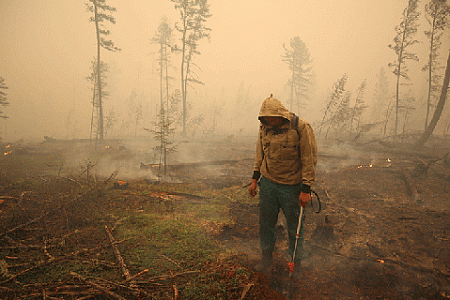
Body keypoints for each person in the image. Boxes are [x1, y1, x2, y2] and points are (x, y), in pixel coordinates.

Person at [249, 94, 317, 278]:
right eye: (265, 118)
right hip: (269, 184)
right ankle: (266, 259)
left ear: (280, 115)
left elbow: (309, 160)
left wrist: (306, 189)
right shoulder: (264, 128)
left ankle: (296, 263)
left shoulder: (300, 127)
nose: (268, 121)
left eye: (270, 118)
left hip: (292, 187)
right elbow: (259, 153)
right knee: (266, 223)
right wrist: (255, 179)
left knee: (295, 227)